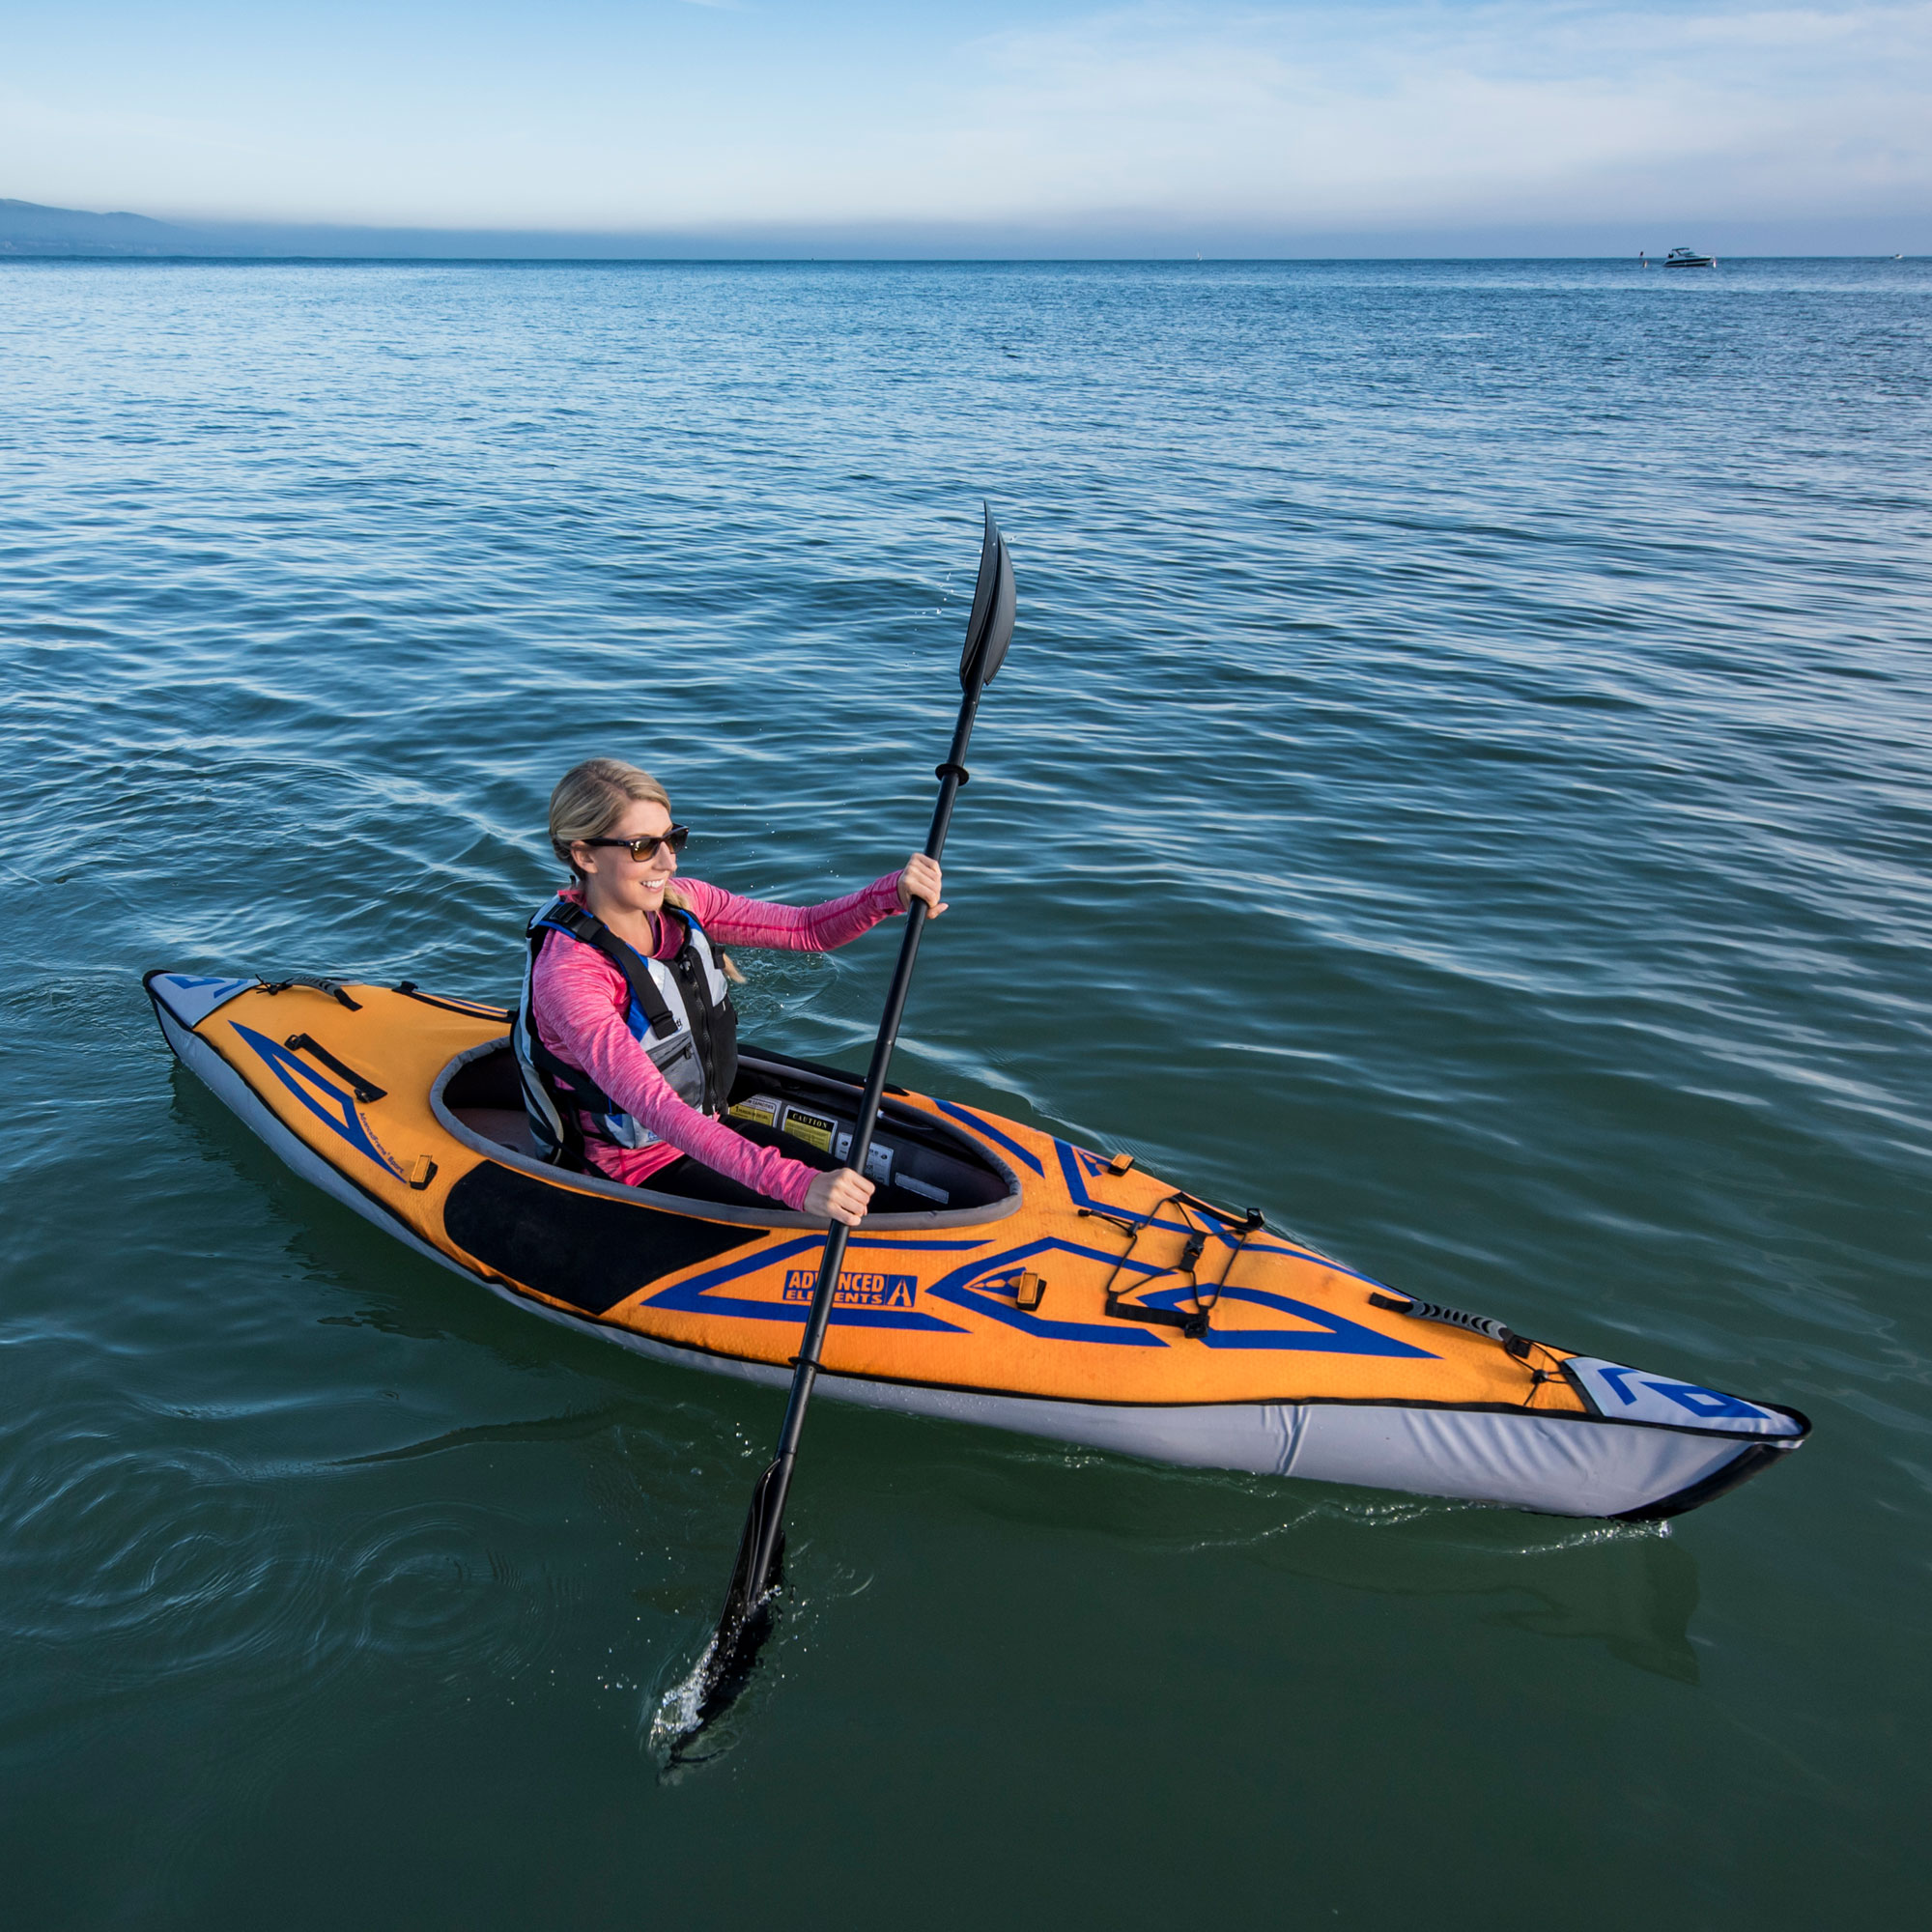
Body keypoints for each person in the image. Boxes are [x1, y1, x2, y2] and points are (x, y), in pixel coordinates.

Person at [513, 757, 945, 1227]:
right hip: (636, 1171)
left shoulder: (683, 904)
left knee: (873, 1203)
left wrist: (891, 895)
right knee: (840, 1217)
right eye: (642, 847)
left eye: (671, 838)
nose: (668, 861)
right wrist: (797, 1185)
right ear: (585, 855)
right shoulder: (572, 977)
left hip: (708, 1126)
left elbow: (807, 929)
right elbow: (657, 1109)